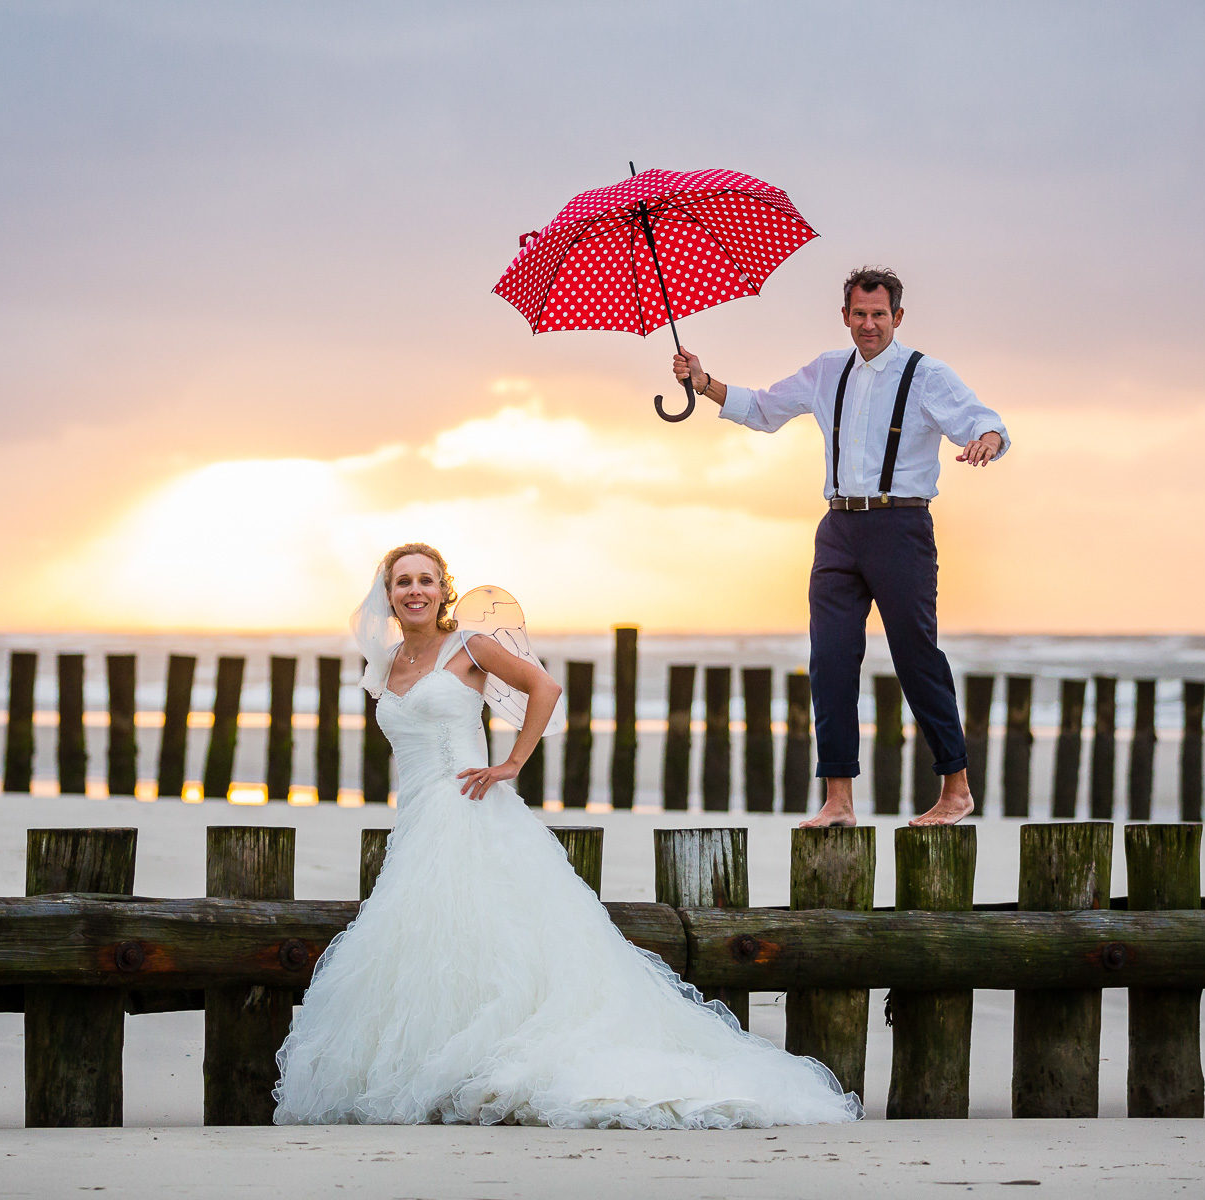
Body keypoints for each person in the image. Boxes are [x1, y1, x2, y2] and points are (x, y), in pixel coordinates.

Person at [270, 542, 861, 1128]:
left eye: (426, 580)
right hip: (419, 819)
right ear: (389, 596)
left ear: (443, 589)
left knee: (503, 942)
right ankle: (451, 1064)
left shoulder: (470, 645)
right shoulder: (389, 663)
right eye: (403, 583)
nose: (415, 591)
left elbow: (544, 688)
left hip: (472, 808)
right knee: (436, 946)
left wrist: (510, 764)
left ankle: (497, 1063)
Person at [673, 267, 1009, 828]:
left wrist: (987, 441)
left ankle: (956, 788)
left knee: (915, 655)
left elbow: (982, 419)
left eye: (879, 315)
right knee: (829, 658)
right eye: (859, 314)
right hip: (838, 531)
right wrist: (704, 382)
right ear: (845, 315)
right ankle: (838, 801)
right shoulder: (828, 371)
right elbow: (762, 408)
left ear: (897, 318)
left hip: (901, 530)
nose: (869, 324)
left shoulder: (925, 375)